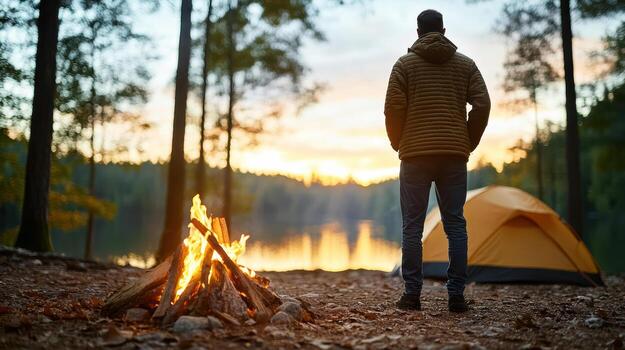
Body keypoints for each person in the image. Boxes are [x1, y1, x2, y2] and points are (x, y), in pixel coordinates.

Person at [384, 9, 490, 312]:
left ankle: (412, 295)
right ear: (443, 30)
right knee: (455, 224)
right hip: (454, 155)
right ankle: (456, 296)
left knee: (412, 226)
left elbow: (393, 107)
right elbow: (482, 104)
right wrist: (468, 140)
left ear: (418, 32)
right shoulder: (466, 65)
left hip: (415, 154)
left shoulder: (404, 65)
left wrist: (398, 142)